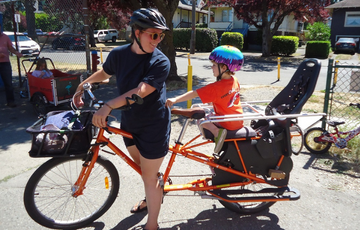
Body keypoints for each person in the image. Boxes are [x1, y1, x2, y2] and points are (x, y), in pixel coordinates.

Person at [74, 8, 170, 230]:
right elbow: (105, 73)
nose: (157, 40)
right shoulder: (118, 54)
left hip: (153, 125)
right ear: (136, 32)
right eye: (153, 34)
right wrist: (83, 85)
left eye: (160, 35)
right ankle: (156, 187)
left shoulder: (160, 61)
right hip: (130, 121)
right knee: (143, 169)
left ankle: (152, 224)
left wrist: (108, 106)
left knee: (149, 177)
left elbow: (140, 91)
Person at [166, 45, 244, 153]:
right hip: (238, 120)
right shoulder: (234, 80)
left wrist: (175, 100)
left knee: (201, 117)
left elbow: (194, 94)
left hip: (226, 123)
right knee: (205, 110)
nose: (212, 67)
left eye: (214, 65)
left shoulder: (216, 88)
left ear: (224, 68)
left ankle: (217, 133)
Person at [0, 24, 23, 107]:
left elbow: (10, 48)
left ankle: (10, 101)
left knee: (8, 83)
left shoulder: (5, 37)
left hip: (5, 63)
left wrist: (17, 53)